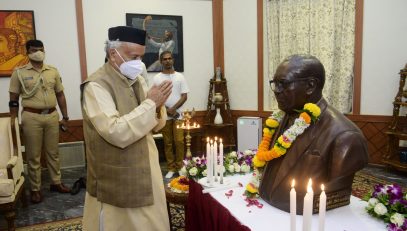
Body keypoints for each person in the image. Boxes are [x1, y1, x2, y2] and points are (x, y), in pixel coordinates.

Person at [81, 26, 172, 230]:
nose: (138, 63)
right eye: (133, 57)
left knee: (153, 222)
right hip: (117, 172)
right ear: (113, 54)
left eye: (141, 57)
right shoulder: (96, 86)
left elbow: (157, 125)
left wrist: (157, 106)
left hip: (146, 164)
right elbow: (115, 131)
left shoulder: (137, 79)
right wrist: (151, 104)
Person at [259, 54, 369, 214]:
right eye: (275, 84)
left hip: (305, 215)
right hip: (268, 208)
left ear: (310, 85)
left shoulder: (345, 137)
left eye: (283, 84)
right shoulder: (282, 117)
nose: (277, 91)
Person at [8, 39, 71, 204]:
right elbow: (13, 99)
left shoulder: (53, 71)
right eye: (35, 49)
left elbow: (60, 95)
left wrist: (65, 117)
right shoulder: (19, 73)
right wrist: (14, 121)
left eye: (41, 49)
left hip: (51, 115)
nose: (39, 52)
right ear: (27, 52)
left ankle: (56, 183)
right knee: (33, 155)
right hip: (31, 117)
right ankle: (35, 189)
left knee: (53, 152)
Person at [153, 51, 189, 179]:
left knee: (179, 141)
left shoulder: (180, 77)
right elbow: (156, 97)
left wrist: (174, 109)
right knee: (167, 143)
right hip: (164, 115)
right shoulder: (157, 78)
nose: (167, 61)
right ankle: (171, 167)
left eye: (169, 58)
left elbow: (184, 96)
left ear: (173, 60)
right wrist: (167, 109)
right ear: (161, 61)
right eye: (165, 59)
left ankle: (180, 167)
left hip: (178, 115)